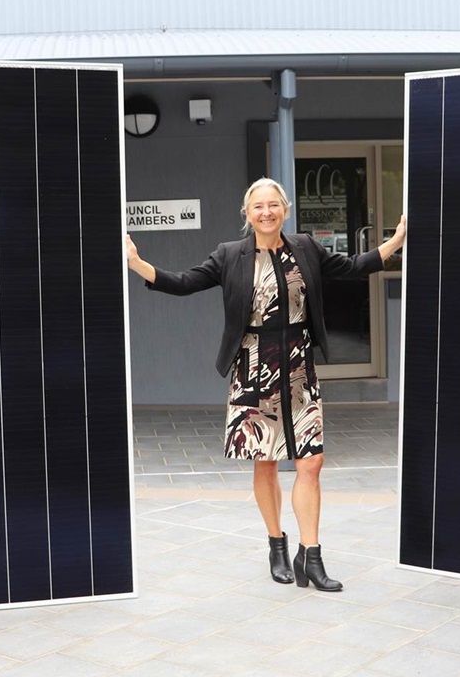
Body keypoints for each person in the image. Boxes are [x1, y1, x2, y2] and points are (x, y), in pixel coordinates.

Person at [126, 178, 406, 590]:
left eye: (273, 204)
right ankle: (277, 544)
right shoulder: (229, 256)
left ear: (285, 209)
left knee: (311, 462)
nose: (266, 212)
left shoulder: (305, 248)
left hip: (299, 365)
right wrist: (137, 264)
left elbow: (349, 268)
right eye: (258, 206)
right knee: (267, 460)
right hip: (254, 365)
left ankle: (311, 556)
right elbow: (185, 282)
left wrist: (395, 241)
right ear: (247, 213)